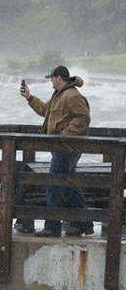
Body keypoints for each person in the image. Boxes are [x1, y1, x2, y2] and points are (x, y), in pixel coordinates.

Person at [20, 65, 92, 237]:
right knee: (68, 185)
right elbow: (46, 111)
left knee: (54, 184)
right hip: (62, 148)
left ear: (59, 77)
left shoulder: (72, 95)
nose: (50, 81)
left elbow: (83, 119)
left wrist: (63, 136)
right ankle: (84, 223)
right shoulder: (59, 95)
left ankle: (52, 227)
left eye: (51, 78)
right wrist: (29, 97)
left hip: (67, 148)